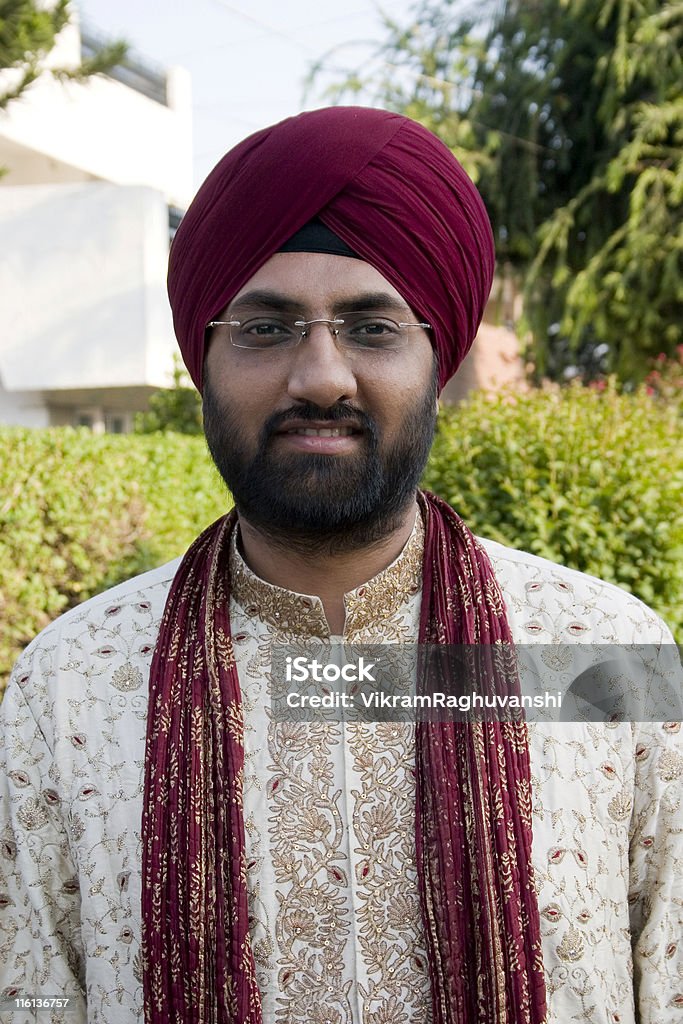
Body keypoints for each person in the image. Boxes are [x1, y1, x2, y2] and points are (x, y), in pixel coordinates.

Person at [1, 107, 681, 1024]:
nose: (320, 376)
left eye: (370, 328)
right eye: (265, 327)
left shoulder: (602, 654)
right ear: (200, 360)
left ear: (438, 358)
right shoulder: (73, 682)